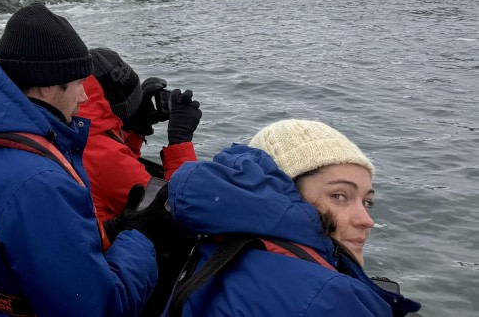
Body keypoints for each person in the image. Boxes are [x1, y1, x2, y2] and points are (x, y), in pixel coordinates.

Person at [0, 3, 160, 317]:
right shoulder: (37, 181)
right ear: (47, 85)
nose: (84, 97)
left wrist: (114, 227)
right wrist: (143, 237)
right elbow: (97, 309)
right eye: (78, 84)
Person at [165, 119, 421, 316]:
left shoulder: (215, 249)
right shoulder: (329, 297)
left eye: (367, 202)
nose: (366, 220)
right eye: (339, 196)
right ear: (284, 194)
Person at [79, 47, 201, 225]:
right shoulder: (103, 157)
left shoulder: (81, 129)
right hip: (111, 249)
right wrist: (180, 141)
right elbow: (179, 212)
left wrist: (134, 129)